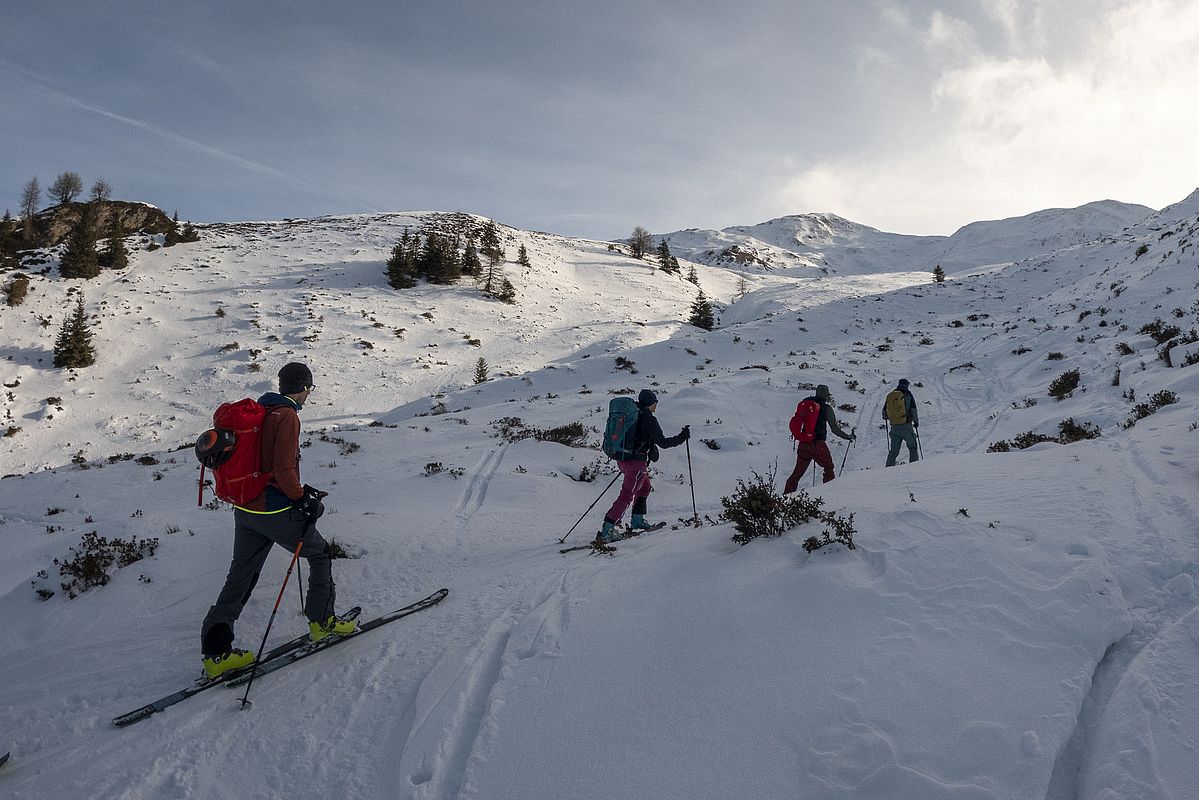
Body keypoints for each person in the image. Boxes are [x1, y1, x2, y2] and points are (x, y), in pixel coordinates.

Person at [199, 362, 358, 679]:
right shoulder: (287, 416)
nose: (309, 395)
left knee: (240, 576)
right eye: (310, 389)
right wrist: (301, 499)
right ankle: (323, 623)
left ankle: (216, 654)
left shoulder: (262, 410)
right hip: (273, 510)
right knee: (319, 553)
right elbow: (283, 469)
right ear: (304, 387)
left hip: (245, 509)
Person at [596, 389, 689, 543]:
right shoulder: (648, 419)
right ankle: (607, 529)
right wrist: (682, 437)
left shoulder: (634, 415)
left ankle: (637, 520)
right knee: (626, 495)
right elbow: (663, 443)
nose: (656, 405)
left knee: (645, 487)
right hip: (636, 464)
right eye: (655, 402)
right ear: (652, 403)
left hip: (623, 459)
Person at [783, 384, 854, 493]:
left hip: (803, 443)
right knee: (829, 468)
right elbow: (834, 429)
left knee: (797, 474)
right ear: (826, 395)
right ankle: (830, 495)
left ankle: (786, 499)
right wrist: (847, 437)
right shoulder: (826, 408)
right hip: (817, 444)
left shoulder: (807, 405)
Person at [882, 378, 919, 467]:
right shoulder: (908, 394)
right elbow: (913, 410)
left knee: (893, 451)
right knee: (913, 448)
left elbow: (884, 413)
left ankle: (888, 469)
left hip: (894, 427)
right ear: (907, 385)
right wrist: (916, 422)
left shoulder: (891, 395)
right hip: (906, 426)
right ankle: (915, 467)